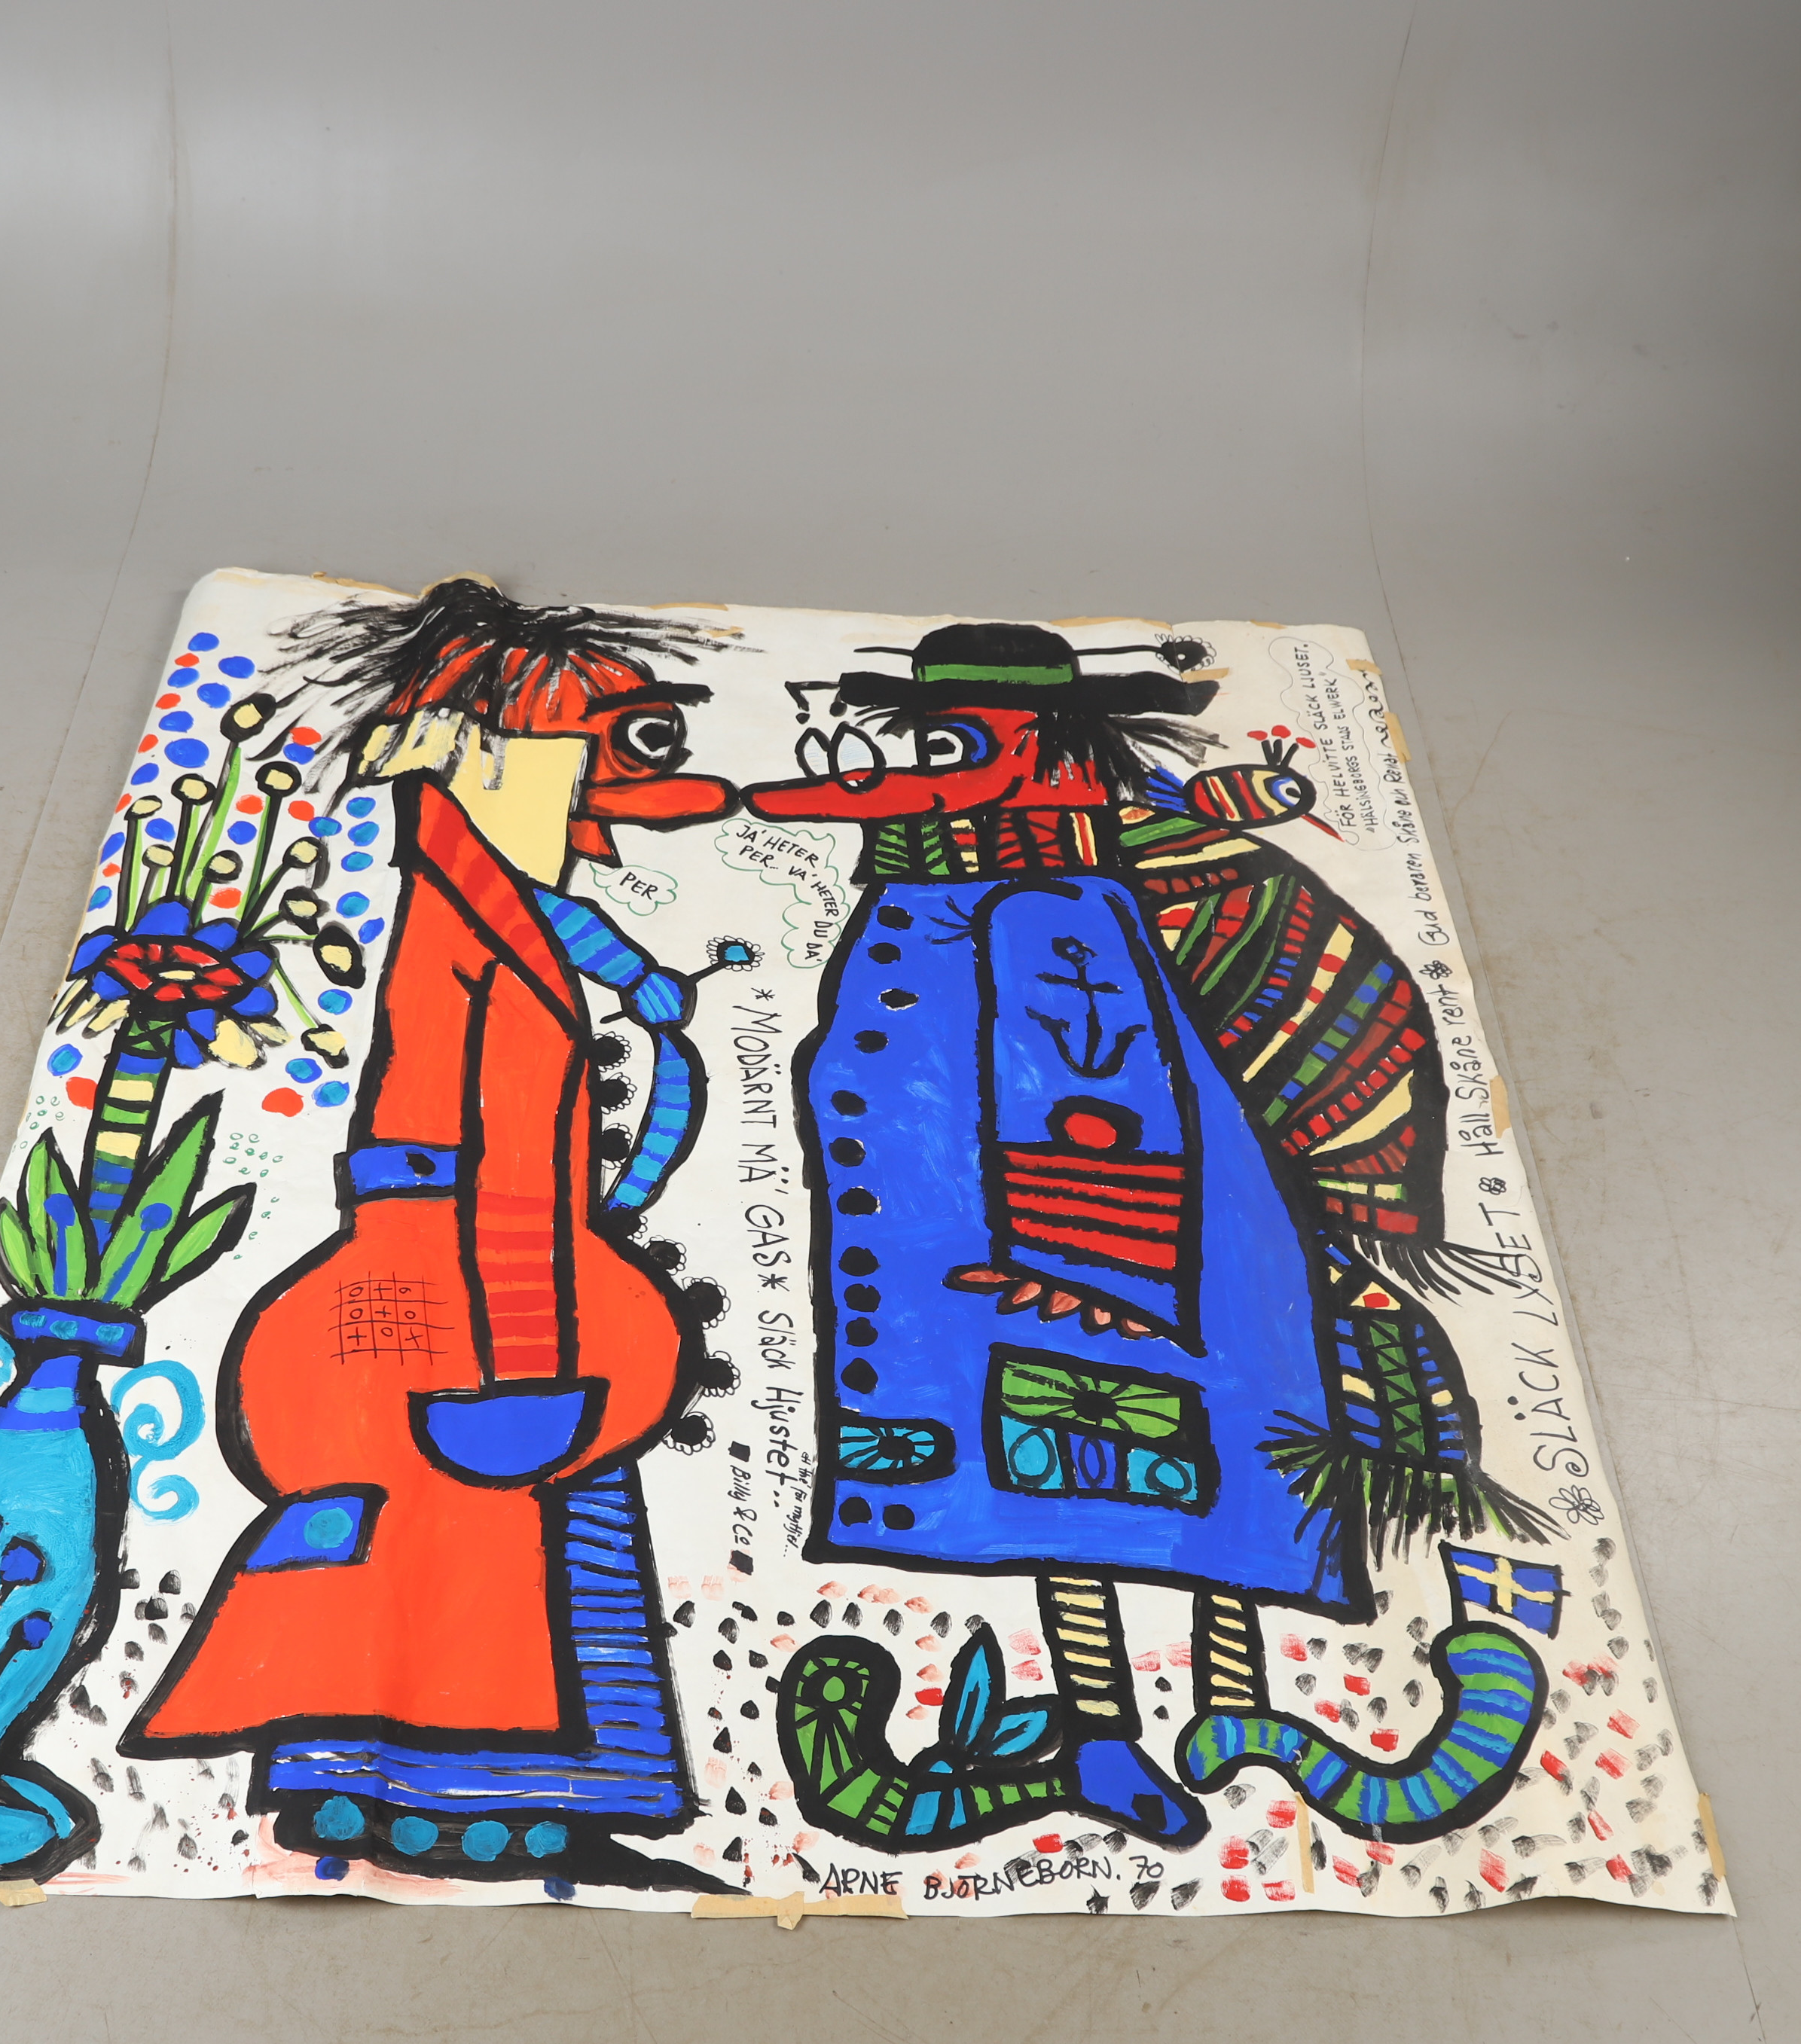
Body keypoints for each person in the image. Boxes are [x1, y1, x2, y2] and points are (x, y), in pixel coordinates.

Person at [751, 620, 1550, 1850]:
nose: (943, 759)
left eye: (968, 737)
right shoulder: (943, 873)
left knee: (1195, 1407)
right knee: (1029, 1445)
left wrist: (1256, 796)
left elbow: (1182, 872)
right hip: (971, 1153)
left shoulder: (1080, 882)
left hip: (1115, 1151)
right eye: (938, 737)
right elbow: (819, 807)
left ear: (1047, 736)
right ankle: (1099, 1725)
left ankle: (1235, 1704)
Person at [128, 579, 736, 1888]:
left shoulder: (476, 898)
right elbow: (500, 1142)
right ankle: (485, 1801)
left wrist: (639, 987)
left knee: (434, 1520)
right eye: (593, 754)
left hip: (465, 1257)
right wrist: (534, 1338)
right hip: (474, 1268)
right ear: (490, 754)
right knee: (478, 1526)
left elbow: (562, 962)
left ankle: (389, 1787)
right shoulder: (469, 920)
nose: (606, 793)